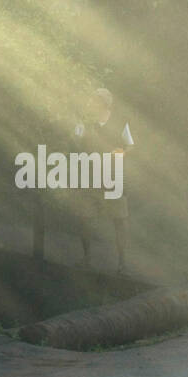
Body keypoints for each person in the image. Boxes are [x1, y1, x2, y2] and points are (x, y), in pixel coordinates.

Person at [72, 87, 131, 272]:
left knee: (119, 221)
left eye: (96, 101)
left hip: (113, 179)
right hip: (90, 178)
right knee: (85, 218)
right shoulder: (85, 122)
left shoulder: (120, 123)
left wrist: (119, 154)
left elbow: (129, 145)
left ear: (105, 104)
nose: (92, 105)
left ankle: (122, 264)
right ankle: (86, 258)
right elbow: (75, 142)